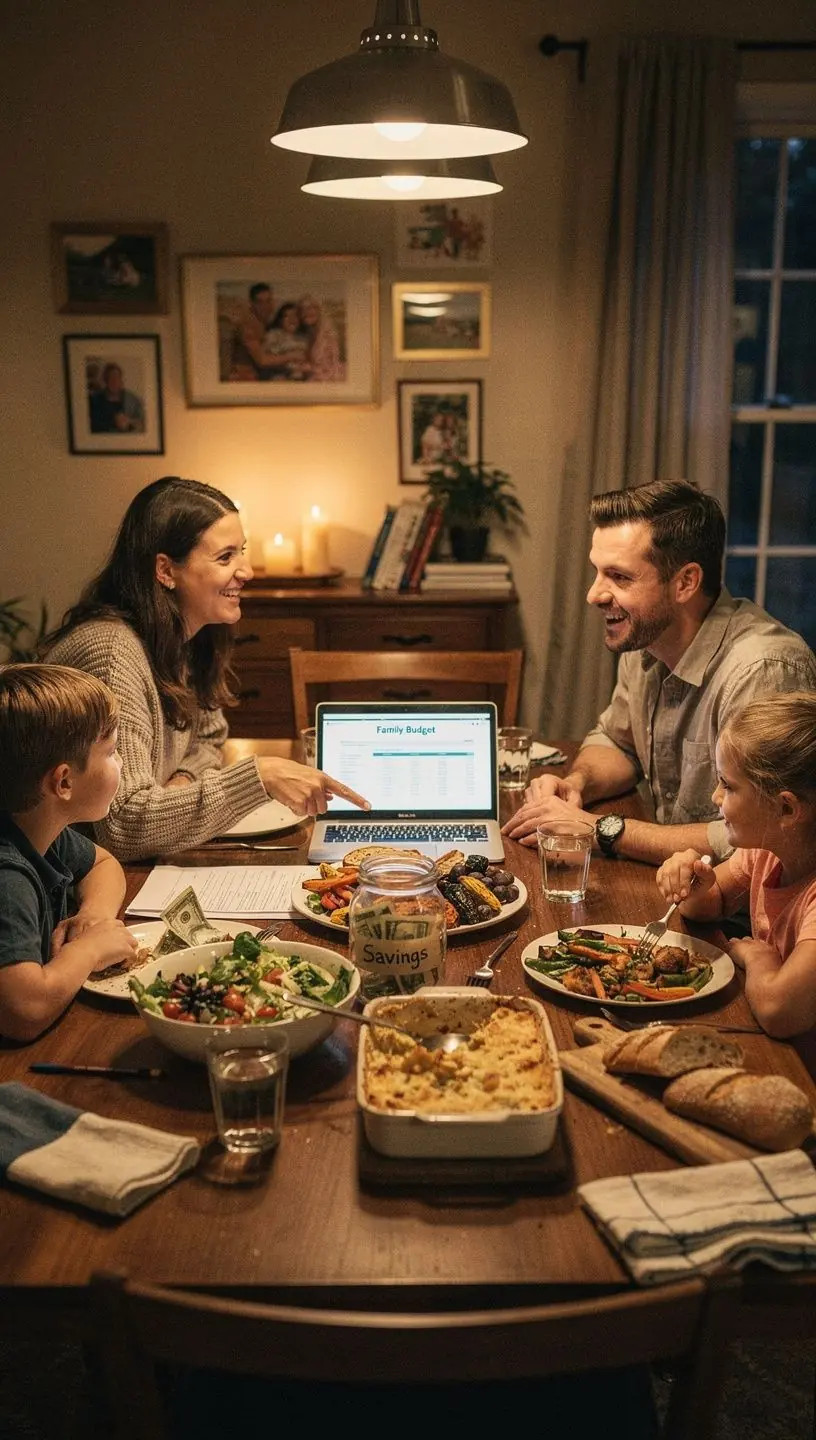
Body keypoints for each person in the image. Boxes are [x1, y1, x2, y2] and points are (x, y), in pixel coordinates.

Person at [45, 477, 369, 862]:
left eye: (241, 552)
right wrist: (259, 777)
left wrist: (180, 785)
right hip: (68, 878)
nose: (246, 571)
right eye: (225, 557)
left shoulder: (187, 636)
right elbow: (124, 826)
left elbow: (209, 737)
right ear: (166, 571)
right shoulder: (113, 653)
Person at [503, 479, 816, 863]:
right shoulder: (647, 637)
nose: (594, 594)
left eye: (620, 577)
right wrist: (576, 784)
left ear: (686, 582)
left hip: (738, 900)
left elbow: (758, 840)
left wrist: (598, 828)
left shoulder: (762, 671)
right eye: (597, 572)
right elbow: (618, 741)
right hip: (678, 881)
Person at [656, 692, 816, 1038]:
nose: (715, 796)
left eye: (727, 785)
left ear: (786, 809)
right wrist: (694, 885)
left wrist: (760, 959)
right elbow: (709, 905)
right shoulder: (768, 849)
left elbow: (779, 1011)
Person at [0, 664, 137, 1041]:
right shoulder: (7, 879)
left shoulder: (37, 827)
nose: (120, 762)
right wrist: (88, 952)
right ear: (63, 782)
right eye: (111, 752)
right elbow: (23, 1011)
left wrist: (93, 916)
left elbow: (104, 865)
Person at [229, 282, 278, 381]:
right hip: (243, 378)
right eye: (260, 302)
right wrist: (293, 356)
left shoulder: (266, 325)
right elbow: (262, 360)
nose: (265, 306)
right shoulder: (248, 326)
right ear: (251, 304)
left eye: (268, 301)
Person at [297, 295, 345, 382]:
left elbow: (330, 365)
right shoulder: (306, 334)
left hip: (329, 377)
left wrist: (308, 368)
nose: (307, 312)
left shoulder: (328, 333)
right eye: (303, 309)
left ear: (319, 310)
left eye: (311, 307)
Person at [89, 363, 145, 433]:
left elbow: (142, 422)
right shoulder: (94, 400)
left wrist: (129, 421)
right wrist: (113, 422)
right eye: (111, 378)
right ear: (105, 381)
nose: (114, 381)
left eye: (117, 378)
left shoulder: (133, 400)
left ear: (121, 380)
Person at [262, 301, 312, 380]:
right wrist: (291, 358)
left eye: (295, 315)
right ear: (280, 320)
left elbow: (309, 360)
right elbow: (269, 360)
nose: (291, 319)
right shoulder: (274, 336)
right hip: (280, 377)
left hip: (301, 378)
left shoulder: (304, 339)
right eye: (286, 316)